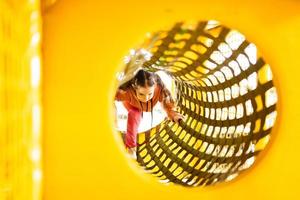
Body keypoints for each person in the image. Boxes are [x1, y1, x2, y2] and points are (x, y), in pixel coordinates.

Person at [115, 69, 185, 159]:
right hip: (133, 106)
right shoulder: (127, 92)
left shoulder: (159, 89)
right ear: (134, 88)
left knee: (164, 105)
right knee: (134, 115)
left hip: (150, 105)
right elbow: (112, 95)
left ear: (155, 87)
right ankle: (131, 148)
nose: (146, 98)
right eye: (141, 94)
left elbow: (167, 104)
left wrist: (173, 114)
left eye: (149, 94)